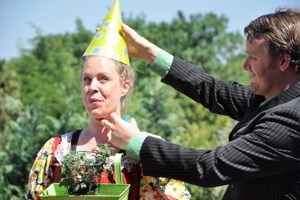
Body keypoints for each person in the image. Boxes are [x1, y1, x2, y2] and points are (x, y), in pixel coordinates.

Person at [101, 8, 300, 200]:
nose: (245, 65)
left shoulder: (290, 119)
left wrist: (136, 142)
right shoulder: (268, 99)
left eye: (254, 57)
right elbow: (212, 90)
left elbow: (209, 167)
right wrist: (148, 52)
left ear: (283, 61)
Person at [25, 0, 191, 199]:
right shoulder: (55, 150)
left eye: (103, 78)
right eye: (87, 79)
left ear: (125, 86)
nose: (92, 87)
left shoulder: (148, 151)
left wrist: (142, 150)